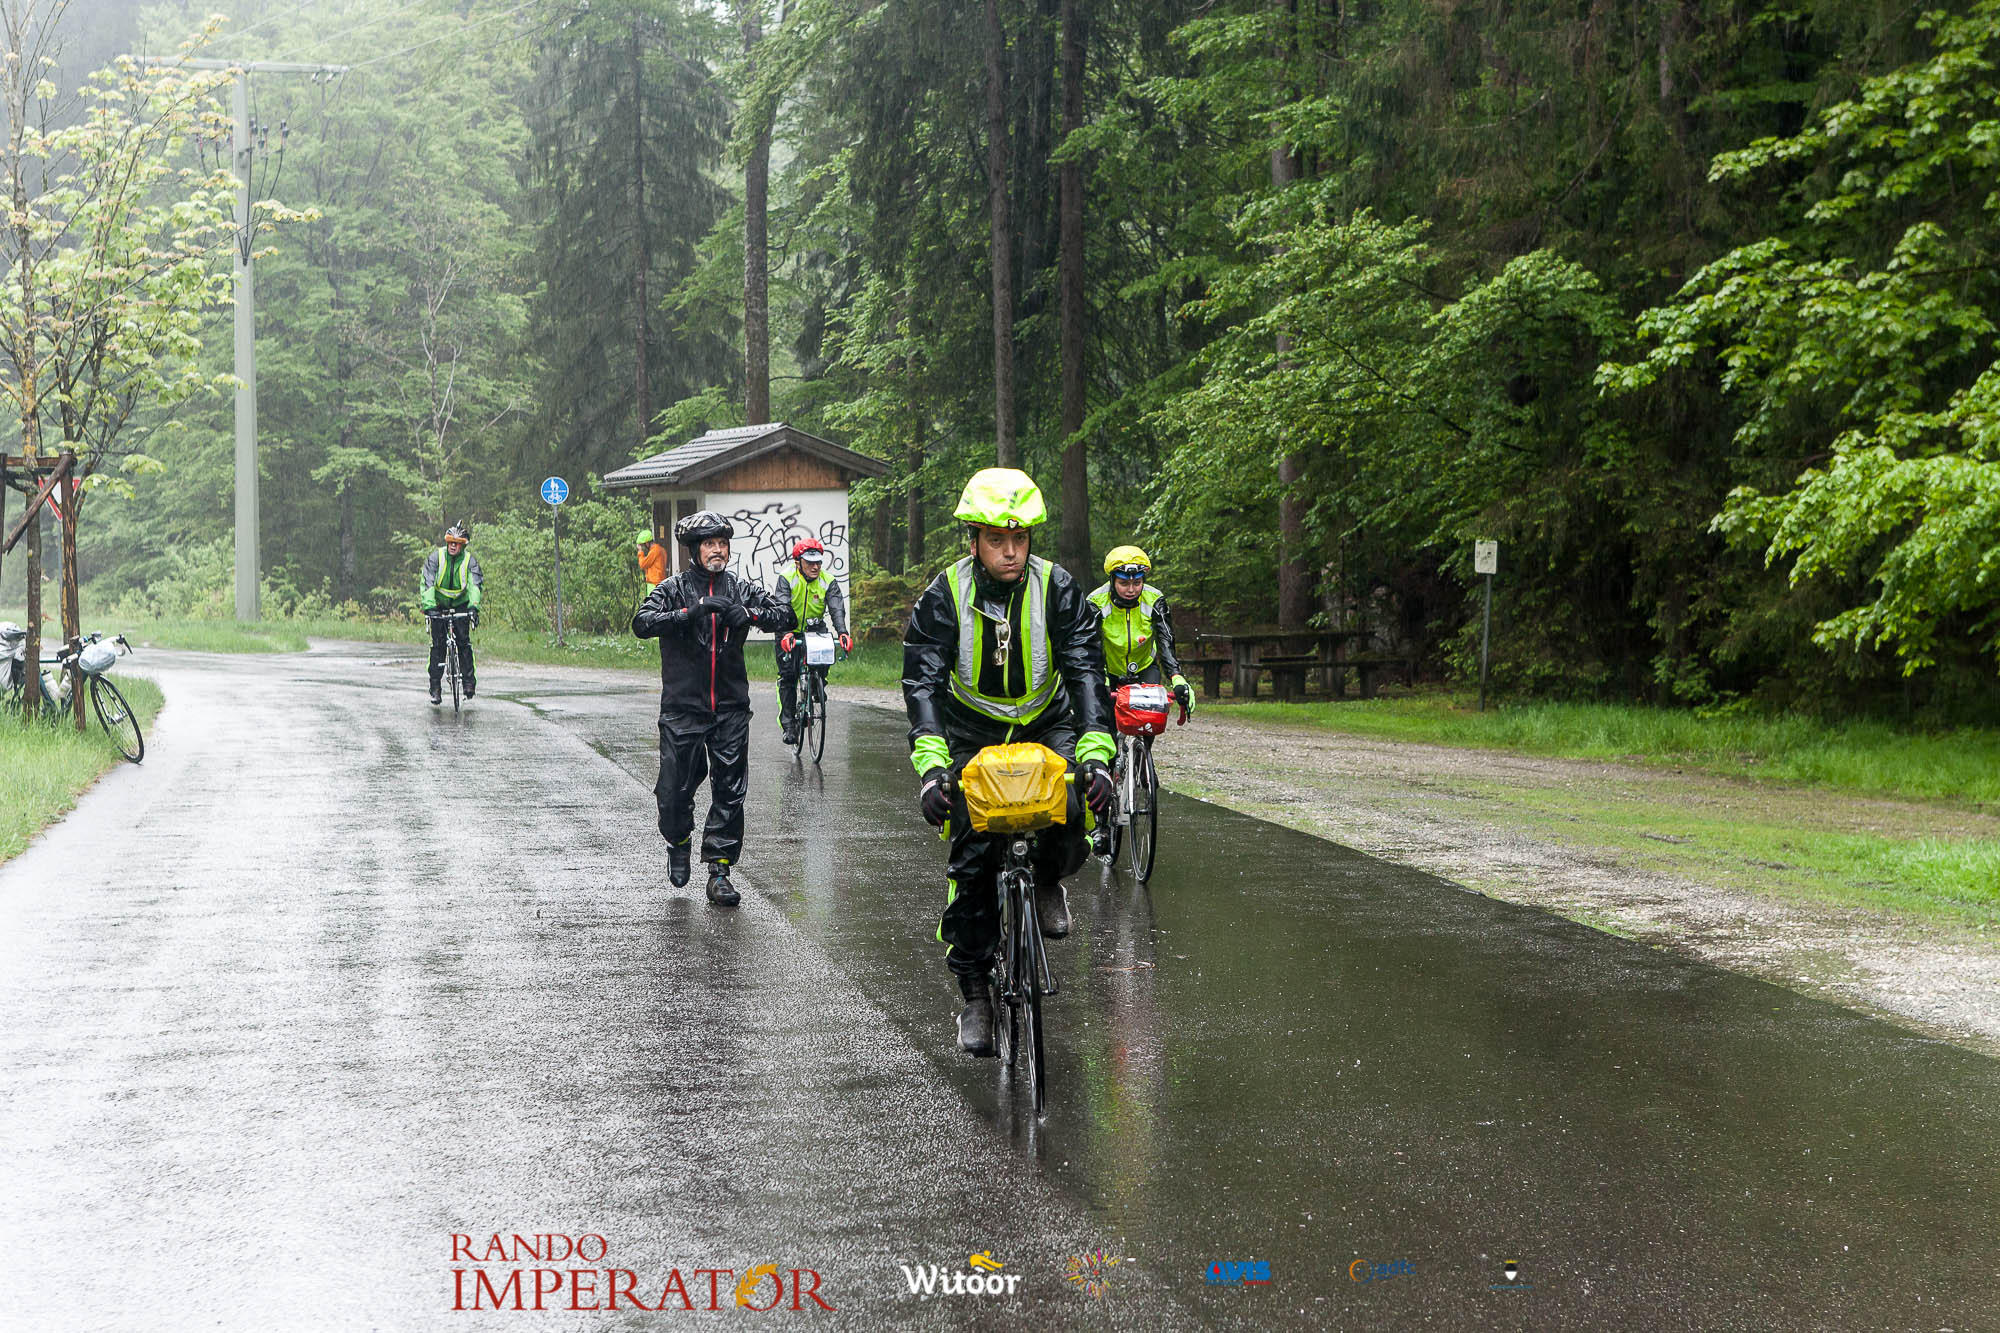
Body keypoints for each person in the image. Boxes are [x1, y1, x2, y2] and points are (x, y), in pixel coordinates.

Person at [902, 467, 1116, 1057]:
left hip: (1048, 723)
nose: (1011, 551)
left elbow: (1087, 673)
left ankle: (1046, 879)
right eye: (997, 540)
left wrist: (1097, 754)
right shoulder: (944, 595)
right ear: (973, 541)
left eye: (1020, 539)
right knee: (971, 860)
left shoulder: (1059, 588)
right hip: (971, 731)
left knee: (1076, 803)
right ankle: (975, 994)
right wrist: (932, 769)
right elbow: (921, 683)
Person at [632, 510, 793, 906]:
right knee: (673, 791)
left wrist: (749, 614)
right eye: (709, 544)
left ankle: (719, 871)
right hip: (682, 708)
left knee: (730, 789)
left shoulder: (740, 588)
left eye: (723, 544)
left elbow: (784, 614)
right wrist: (691, 613)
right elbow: (642, 623)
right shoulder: (673, 588)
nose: (718, 550)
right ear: (694, 550)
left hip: (731, 706)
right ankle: (678, 840)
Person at [773, 536, 854, 746]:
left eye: (818, 562)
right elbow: (781, 606)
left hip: (815, 629)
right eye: (810, 562)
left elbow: (837, 608)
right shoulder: (786, 577)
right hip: (788, 630)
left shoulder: (828, 580)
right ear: (798, 562)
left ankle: (818, 684)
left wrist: (843, 632)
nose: (815, 566)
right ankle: (789, 725)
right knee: (788, 676)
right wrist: (786, 632)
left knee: (824, 654)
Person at [419, 521, 482, 704]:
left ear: (463, 545)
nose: (453, 546)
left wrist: (473, 607)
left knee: (463, 643)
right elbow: (428, 582)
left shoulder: (469, 561)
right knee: (438, 646)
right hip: (438, 605)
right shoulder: (436, 558)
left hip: (461, 605)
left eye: (457, 543)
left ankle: (468, 684)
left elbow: (475, 585)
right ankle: (435, 687)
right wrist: (429, 606)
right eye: (450, 543)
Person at [636, 528, 667, 593]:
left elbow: (642, 564)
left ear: (647, 543)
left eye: (643, 545)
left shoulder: (655, 550)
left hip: (654, 584)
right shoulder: (661, 549)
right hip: (660, 583)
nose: (643, 547)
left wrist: (640, 551)